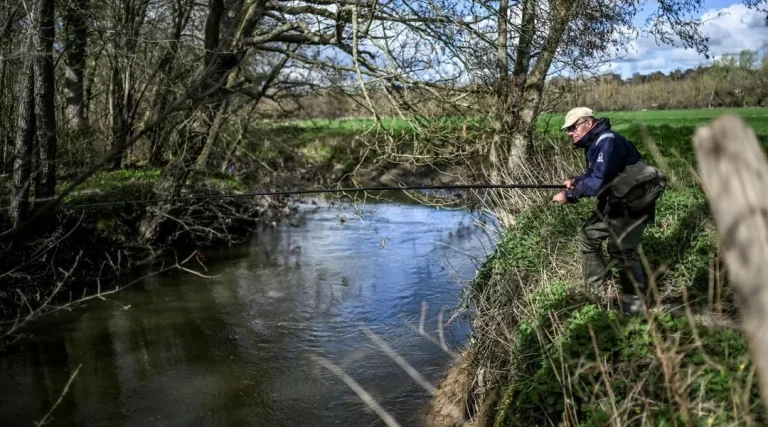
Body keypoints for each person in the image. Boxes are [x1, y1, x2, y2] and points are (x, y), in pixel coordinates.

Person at [552, 107, 664, 315]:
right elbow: (596, 174)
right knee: (587, 237)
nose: (570, 133)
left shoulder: (608, 141)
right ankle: (598, 292)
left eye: (573, 127)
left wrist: (569, 196)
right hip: (616, 201)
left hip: (634, 202)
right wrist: (576, 180)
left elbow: (598, 182)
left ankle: (637, 305)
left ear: (588, 122)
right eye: (567, 130)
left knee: (621, 250)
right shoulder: (594, 143)